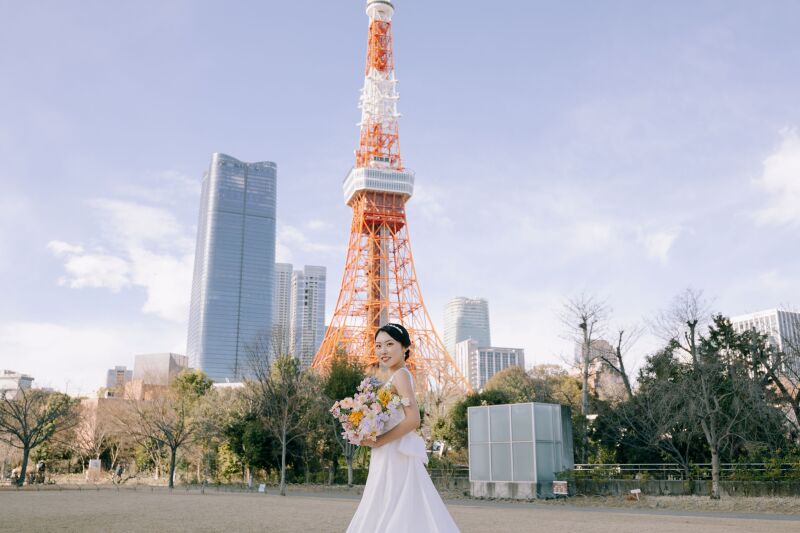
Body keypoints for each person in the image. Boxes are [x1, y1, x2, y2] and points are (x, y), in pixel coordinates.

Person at [346, 323, 460, 533]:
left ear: (405, 347)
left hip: (393, 450)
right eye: (378, 345)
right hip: (388, 450)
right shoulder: (394, 376)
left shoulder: (401, 375)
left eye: (389, 344)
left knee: (390, 504)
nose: (383, 351)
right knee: (391, 504)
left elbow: (413, 420)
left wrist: (378, 440)